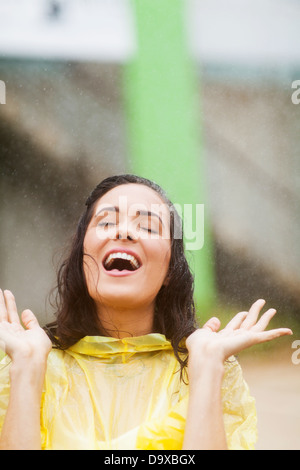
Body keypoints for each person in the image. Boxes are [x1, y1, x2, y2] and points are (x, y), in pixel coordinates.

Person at [0, 174, 292, 450]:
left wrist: (207, 366)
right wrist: (26, 368)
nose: (124, 232)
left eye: (149, 227)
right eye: (106, 222)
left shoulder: (208, 368)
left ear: (169, 270)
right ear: (82, 258)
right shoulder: (26, 364)